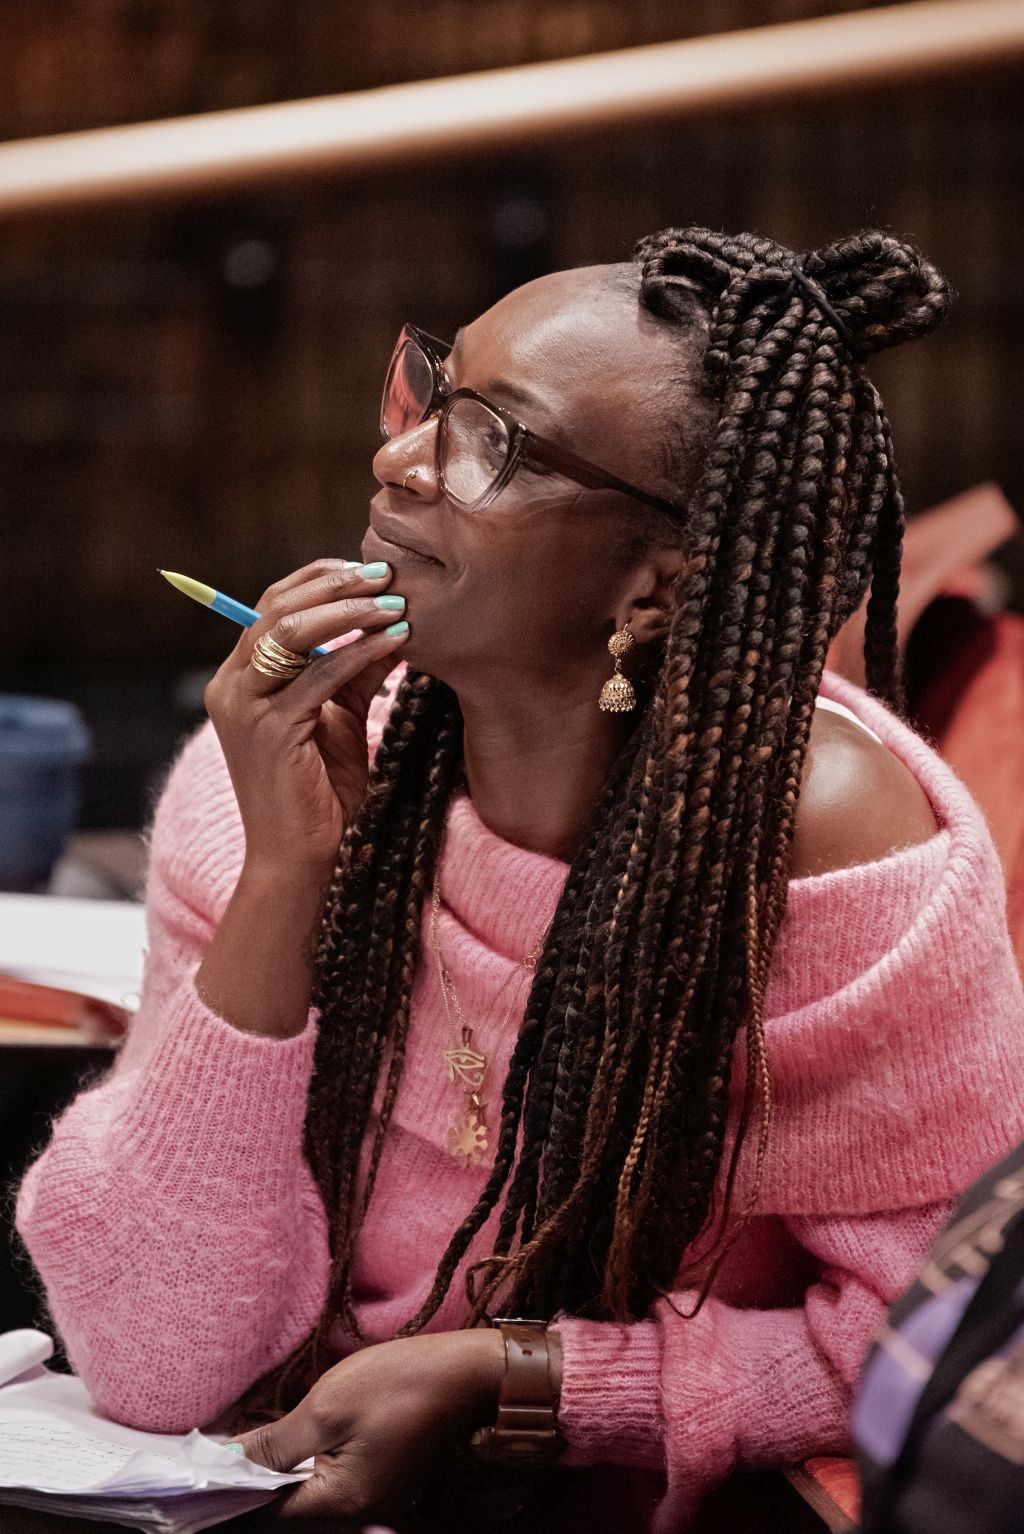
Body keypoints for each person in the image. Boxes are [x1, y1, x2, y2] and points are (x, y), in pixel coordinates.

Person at [16, 227, 1024, 1532]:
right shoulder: (286, 764)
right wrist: (282, 881)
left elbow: (926, 1345)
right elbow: (156, 1363)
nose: (396, 457)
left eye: (489, 441)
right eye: (428, 392)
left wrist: (533, 1379)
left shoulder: (826, 848)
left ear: (656, 586)